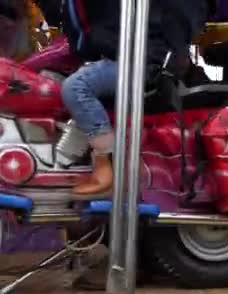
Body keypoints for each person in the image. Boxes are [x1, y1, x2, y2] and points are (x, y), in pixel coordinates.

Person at [34, 0, 214, 198]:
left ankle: (108, 163)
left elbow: (87, 31)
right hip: (132, 54)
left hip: (143, 59)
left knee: (77, 87)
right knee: (53, 79)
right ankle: (66, 159)